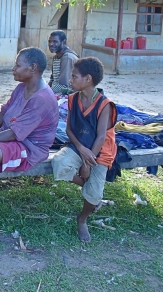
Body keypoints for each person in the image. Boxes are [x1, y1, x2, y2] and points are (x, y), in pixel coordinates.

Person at [0, 47, 59, 173]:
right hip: (8, 135)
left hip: (28, 147)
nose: (13, 69)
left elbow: (14, 133)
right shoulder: (21, 88)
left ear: (33, 68)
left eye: (18, 65)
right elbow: (3, 114)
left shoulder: (42, 99)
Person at [52, 57, 116, 242]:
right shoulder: (73, 99)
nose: (70, 80)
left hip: (100, 150)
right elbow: (70, 129)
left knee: (94, 193)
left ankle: (82, 219)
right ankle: (87, 187)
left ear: (87, 79)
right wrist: (80, 148)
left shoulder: (105, 104)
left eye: (74, 76)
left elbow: (102, 136)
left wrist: (88, 162)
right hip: (79, 145)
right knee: (59, 163)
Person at [48, 30, 79, 95]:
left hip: (67, 94)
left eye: (55, 41)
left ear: (64, 42)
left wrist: (46, 91)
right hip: (57, 92)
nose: (51, 44)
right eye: (50, 41)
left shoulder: (67, 57)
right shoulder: (56, 57)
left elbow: (64, 86)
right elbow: (52, 80)